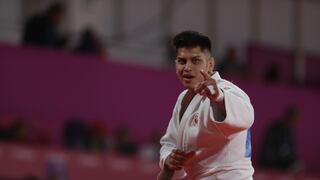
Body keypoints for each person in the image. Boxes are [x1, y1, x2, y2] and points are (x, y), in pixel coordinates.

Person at [158, 31, 254, 180]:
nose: (187, 67)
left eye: (195, 61)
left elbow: (247, 116)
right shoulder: (183, 98)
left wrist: (219, 97)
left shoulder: (228, 91)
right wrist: (169, 158)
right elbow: (170, 142)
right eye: (182, 61)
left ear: (210, 64)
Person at [259, 105, 301, 172]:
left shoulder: (290, 131)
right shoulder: (275, 128)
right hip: (271, 161)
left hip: (284, 162)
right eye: (294, 117)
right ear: (289, 116)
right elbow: (268, 148)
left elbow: (291, 149)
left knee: (298, 165)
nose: (295, 121)